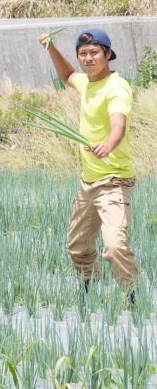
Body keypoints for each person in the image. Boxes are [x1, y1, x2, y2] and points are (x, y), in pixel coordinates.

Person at [39, 28, 139, 303]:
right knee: (77, 247)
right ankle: (89, 289)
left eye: (94, 52)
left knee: (115, 245)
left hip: (115, 181)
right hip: (88, 182)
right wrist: (51, 48)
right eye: (83, 54)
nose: (88, 58)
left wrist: (108, 144)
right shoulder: (86, 82)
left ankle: (133, 295)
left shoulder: (117, 87)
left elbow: (118, 123)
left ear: (108, 54)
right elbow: (67, 76)